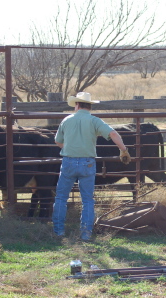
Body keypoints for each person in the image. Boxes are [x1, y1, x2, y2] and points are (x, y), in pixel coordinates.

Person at [52, 92, 131, 241]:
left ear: (77, 105)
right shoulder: (94, 121)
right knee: (87, 199)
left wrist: (70, 147)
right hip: (87, 162)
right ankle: (86, 233)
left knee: (61, 198)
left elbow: (58, 141)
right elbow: (113, 134)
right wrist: (123, 150)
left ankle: (58, 232)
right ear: (89, 106)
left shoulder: (66, 120)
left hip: (68, 161)